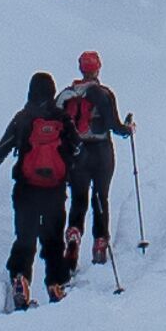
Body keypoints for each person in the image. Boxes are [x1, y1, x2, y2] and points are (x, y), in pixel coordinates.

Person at [0, 68, 80, 308]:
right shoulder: (61, 118)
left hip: (26, 189)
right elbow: (77, 148)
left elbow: (2, 149)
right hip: (55, 190)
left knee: (25, 237)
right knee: (53, 239)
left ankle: (21, 279)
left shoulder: (23, 117)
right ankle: (55, 284)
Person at [65, 49, 137, 264]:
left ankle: (74, 235)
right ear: (98, 68)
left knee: (78, 199)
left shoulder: (68, 94)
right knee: (100, 197)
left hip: (77, 153)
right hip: (102, 151)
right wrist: (128, 128)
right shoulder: (104, 94)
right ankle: (100, 242)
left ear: (80, 68)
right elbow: (114, 125)